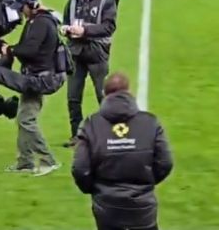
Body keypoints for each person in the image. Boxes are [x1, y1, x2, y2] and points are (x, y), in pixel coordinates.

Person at [73, 72, 174, 230]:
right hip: (142, 207)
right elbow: (165, 162)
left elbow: (80, 169)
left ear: (104, 93)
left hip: (106, 207)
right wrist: (146, 183)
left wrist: (95, 190)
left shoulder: (91, 124)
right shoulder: (150, 122)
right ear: (129, 92)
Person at [0, 0, 65, 176]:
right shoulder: (36, 20)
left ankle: (48, 161)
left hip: (42, 79)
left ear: (32, 5)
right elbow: (26, 49)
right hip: (37, 76)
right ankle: (25, 162)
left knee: (26, 120)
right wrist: (9, 50)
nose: (20, 11)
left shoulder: (41, 23)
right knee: (23, 117)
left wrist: (10, 50)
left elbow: (29, 50)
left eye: (22, 7)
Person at [62, 0, 120, 148]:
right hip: (75, 52)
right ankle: (76, 136)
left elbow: (109, 27)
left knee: (103, 96)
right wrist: (66, 29)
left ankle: (111, 135)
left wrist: (85, 31)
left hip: (97, 53)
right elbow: (65, 20)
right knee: (73, 97)